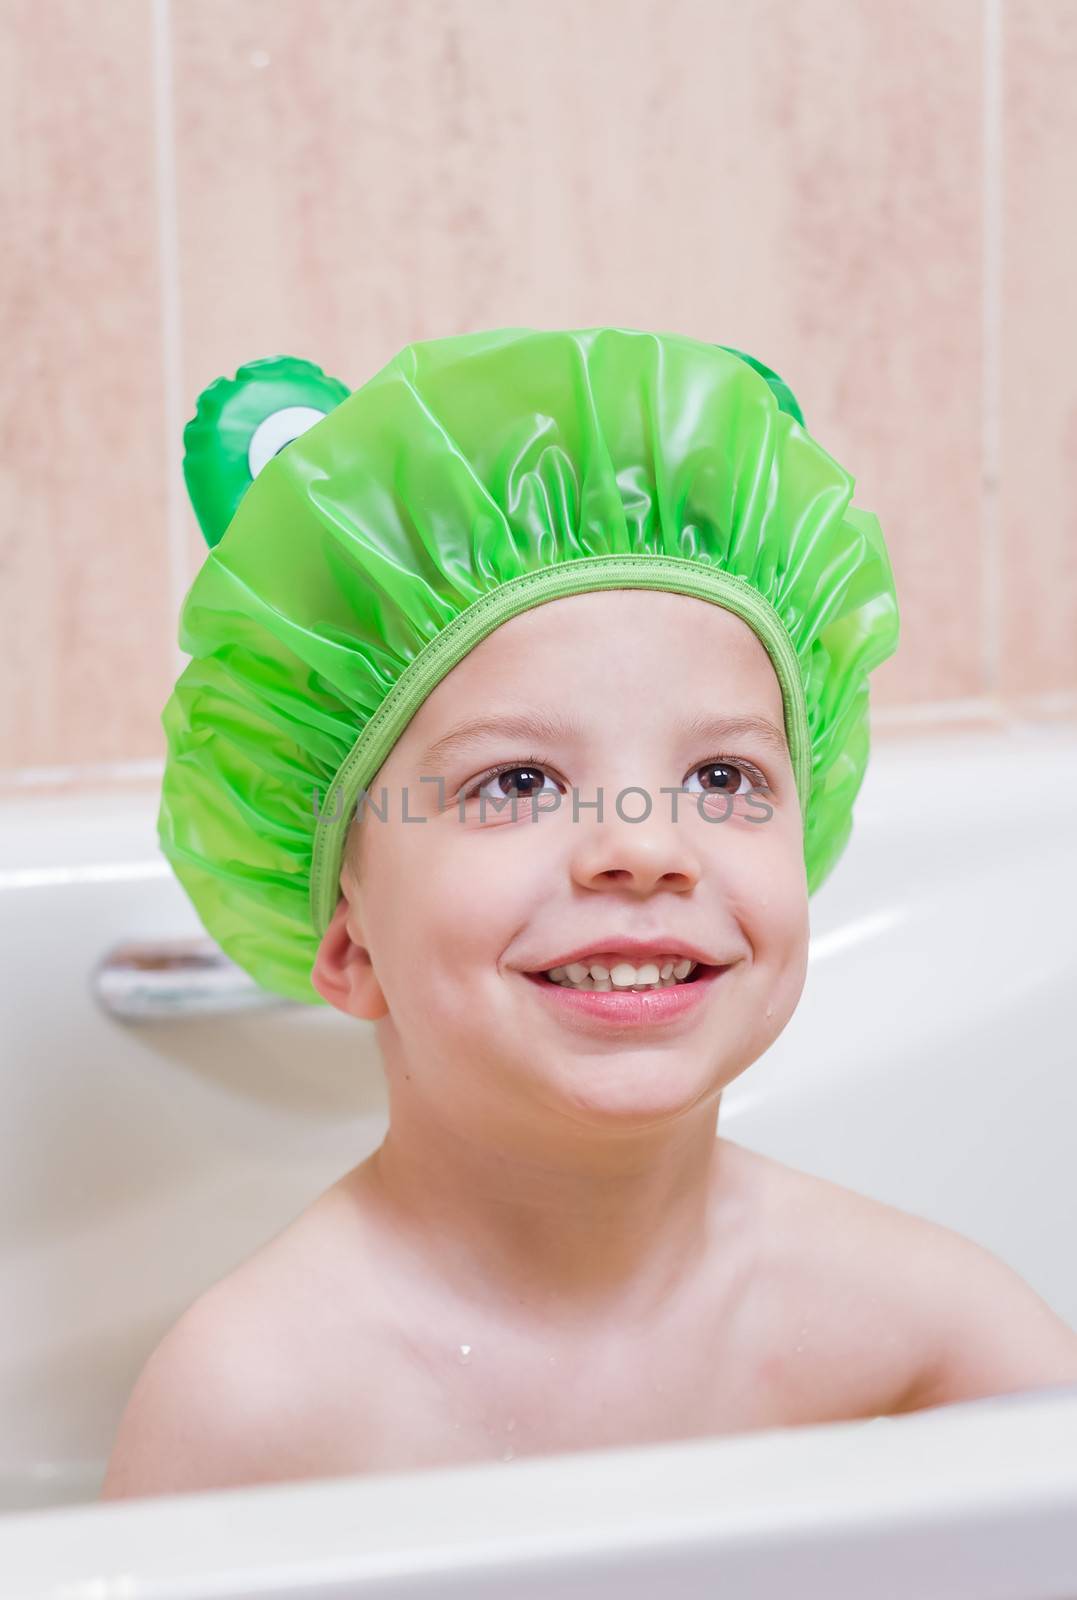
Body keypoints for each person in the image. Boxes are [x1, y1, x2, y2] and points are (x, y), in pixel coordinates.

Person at [100, 327, 1077, 1500]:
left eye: (723, 778)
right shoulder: (255, 1403)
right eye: (514, 782)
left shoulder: (918, 1322)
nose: (644, 847)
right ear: (352, 949)